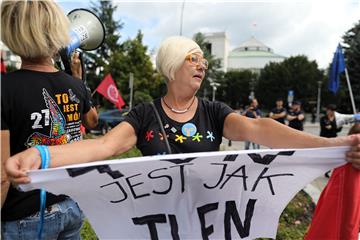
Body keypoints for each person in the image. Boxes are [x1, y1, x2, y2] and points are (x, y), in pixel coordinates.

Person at [5, 35, 360, 197]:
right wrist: (41, 154)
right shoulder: (143, 114)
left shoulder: (214, 112)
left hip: (210, 222)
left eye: (203, 60)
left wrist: (331, 143)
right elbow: (101, 147)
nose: (202, 64)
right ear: (172, 64)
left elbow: (260, 129)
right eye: (193, 58)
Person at [1, 1, 98, 239]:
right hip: (72, 203)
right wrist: (76, 78)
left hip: (26, 215)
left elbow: (3, 175)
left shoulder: (5, 88)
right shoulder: (76, 85)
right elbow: (92, 121)